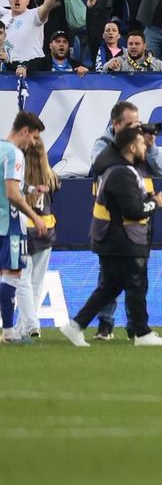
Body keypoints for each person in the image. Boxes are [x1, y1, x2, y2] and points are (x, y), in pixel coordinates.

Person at [60, 122, 162, 347]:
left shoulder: (118, 169)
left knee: (110, 287)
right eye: (141, 143)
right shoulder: (121, 173)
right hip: (120, 240)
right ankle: (141, 333)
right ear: (131, 148)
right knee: (136, 284)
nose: (145, 147)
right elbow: (134, 210)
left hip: (112, 239)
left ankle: (75, 325)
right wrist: (155, 203)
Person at [1, 112, 48, 343]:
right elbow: (11, 193)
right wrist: (34, 217)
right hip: (9, 225)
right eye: (34, 137)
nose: (33, 142)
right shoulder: (15, 153)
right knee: (12, 275)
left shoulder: (1, 149)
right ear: (25, 131)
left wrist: (30, 190)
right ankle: (9, 332)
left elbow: (12, 183)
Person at [12, 137, 58, 340]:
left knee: (23, 281)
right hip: (45, 231)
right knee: (36, 283)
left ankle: (29, 324)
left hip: (23, 230)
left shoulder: (18, 175)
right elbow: (57, 189)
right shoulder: (50, 177)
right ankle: (25, 327)